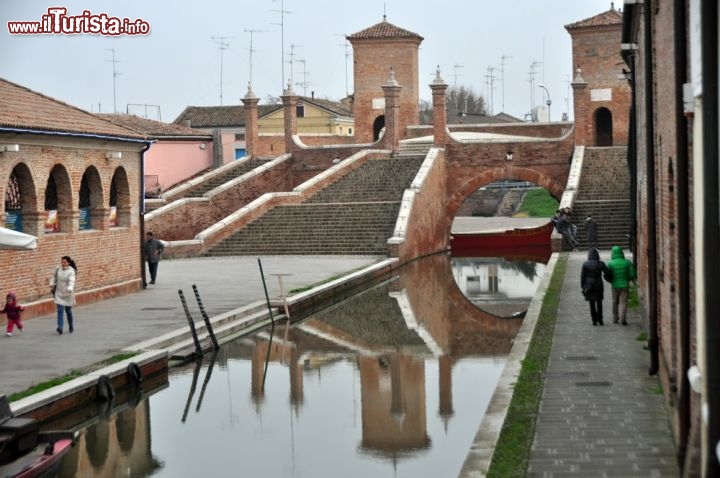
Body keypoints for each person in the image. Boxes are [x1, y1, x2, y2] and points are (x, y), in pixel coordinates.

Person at [580, 248, 612, 326]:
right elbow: (607, 273)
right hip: (598, 283)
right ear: (597, 255)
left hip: (589, 285)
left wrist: (583, 286)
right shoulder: (600, 263)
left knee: (591, 303)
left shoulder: (585, 264)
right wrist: (609, 278)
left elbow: (582, 276)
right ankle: (600, 319)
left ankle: (594, 320)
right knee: (599, 302)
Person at [606, 245, 637, 325]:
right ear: (621, 253)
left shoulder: (610, 264)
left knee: (615, 301)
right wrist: (628, 279)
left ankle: (615, 318)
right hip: (625, 285)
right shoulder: (627, 262)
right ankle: (623, 318)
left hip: (615, 285)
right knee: (624, 302)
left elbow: (606, 275)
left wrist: (611, 281)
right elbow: (633, 274)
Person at [50, 255, 77, 334]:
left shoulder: (71, 271)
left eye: (64, 262)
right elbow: (54, 277)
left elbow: (71, 281)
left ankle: (71, 325)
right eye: (62, 262)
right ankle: (60, 327)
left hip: (68, 293)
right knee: (60, 310)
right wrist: (52, 284)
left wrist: (69, 288)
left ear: (68, 263)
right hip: (59, 292)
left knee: (68, 310)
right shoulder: (58, 269)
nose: (63, 263)